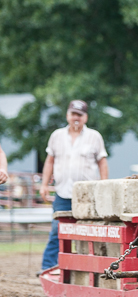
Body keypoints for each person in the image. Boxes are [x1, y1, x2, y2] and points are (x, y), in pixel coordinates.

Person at [39, 100, 109, 273]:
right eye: (73, 114)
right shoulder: (57, 136)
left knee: (89, 231)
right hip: (63, 192)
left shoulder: (94, 136)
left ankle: (88, 267)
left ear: (85, 117)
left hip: (86, 195)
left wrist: (104, 185)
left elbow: (102, 162)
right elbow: (50, 161)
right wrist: (44, 184)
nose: (76, 118)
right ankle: (49, 267)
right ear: (67, 115)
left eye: (79, 115)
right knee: (57, 230)